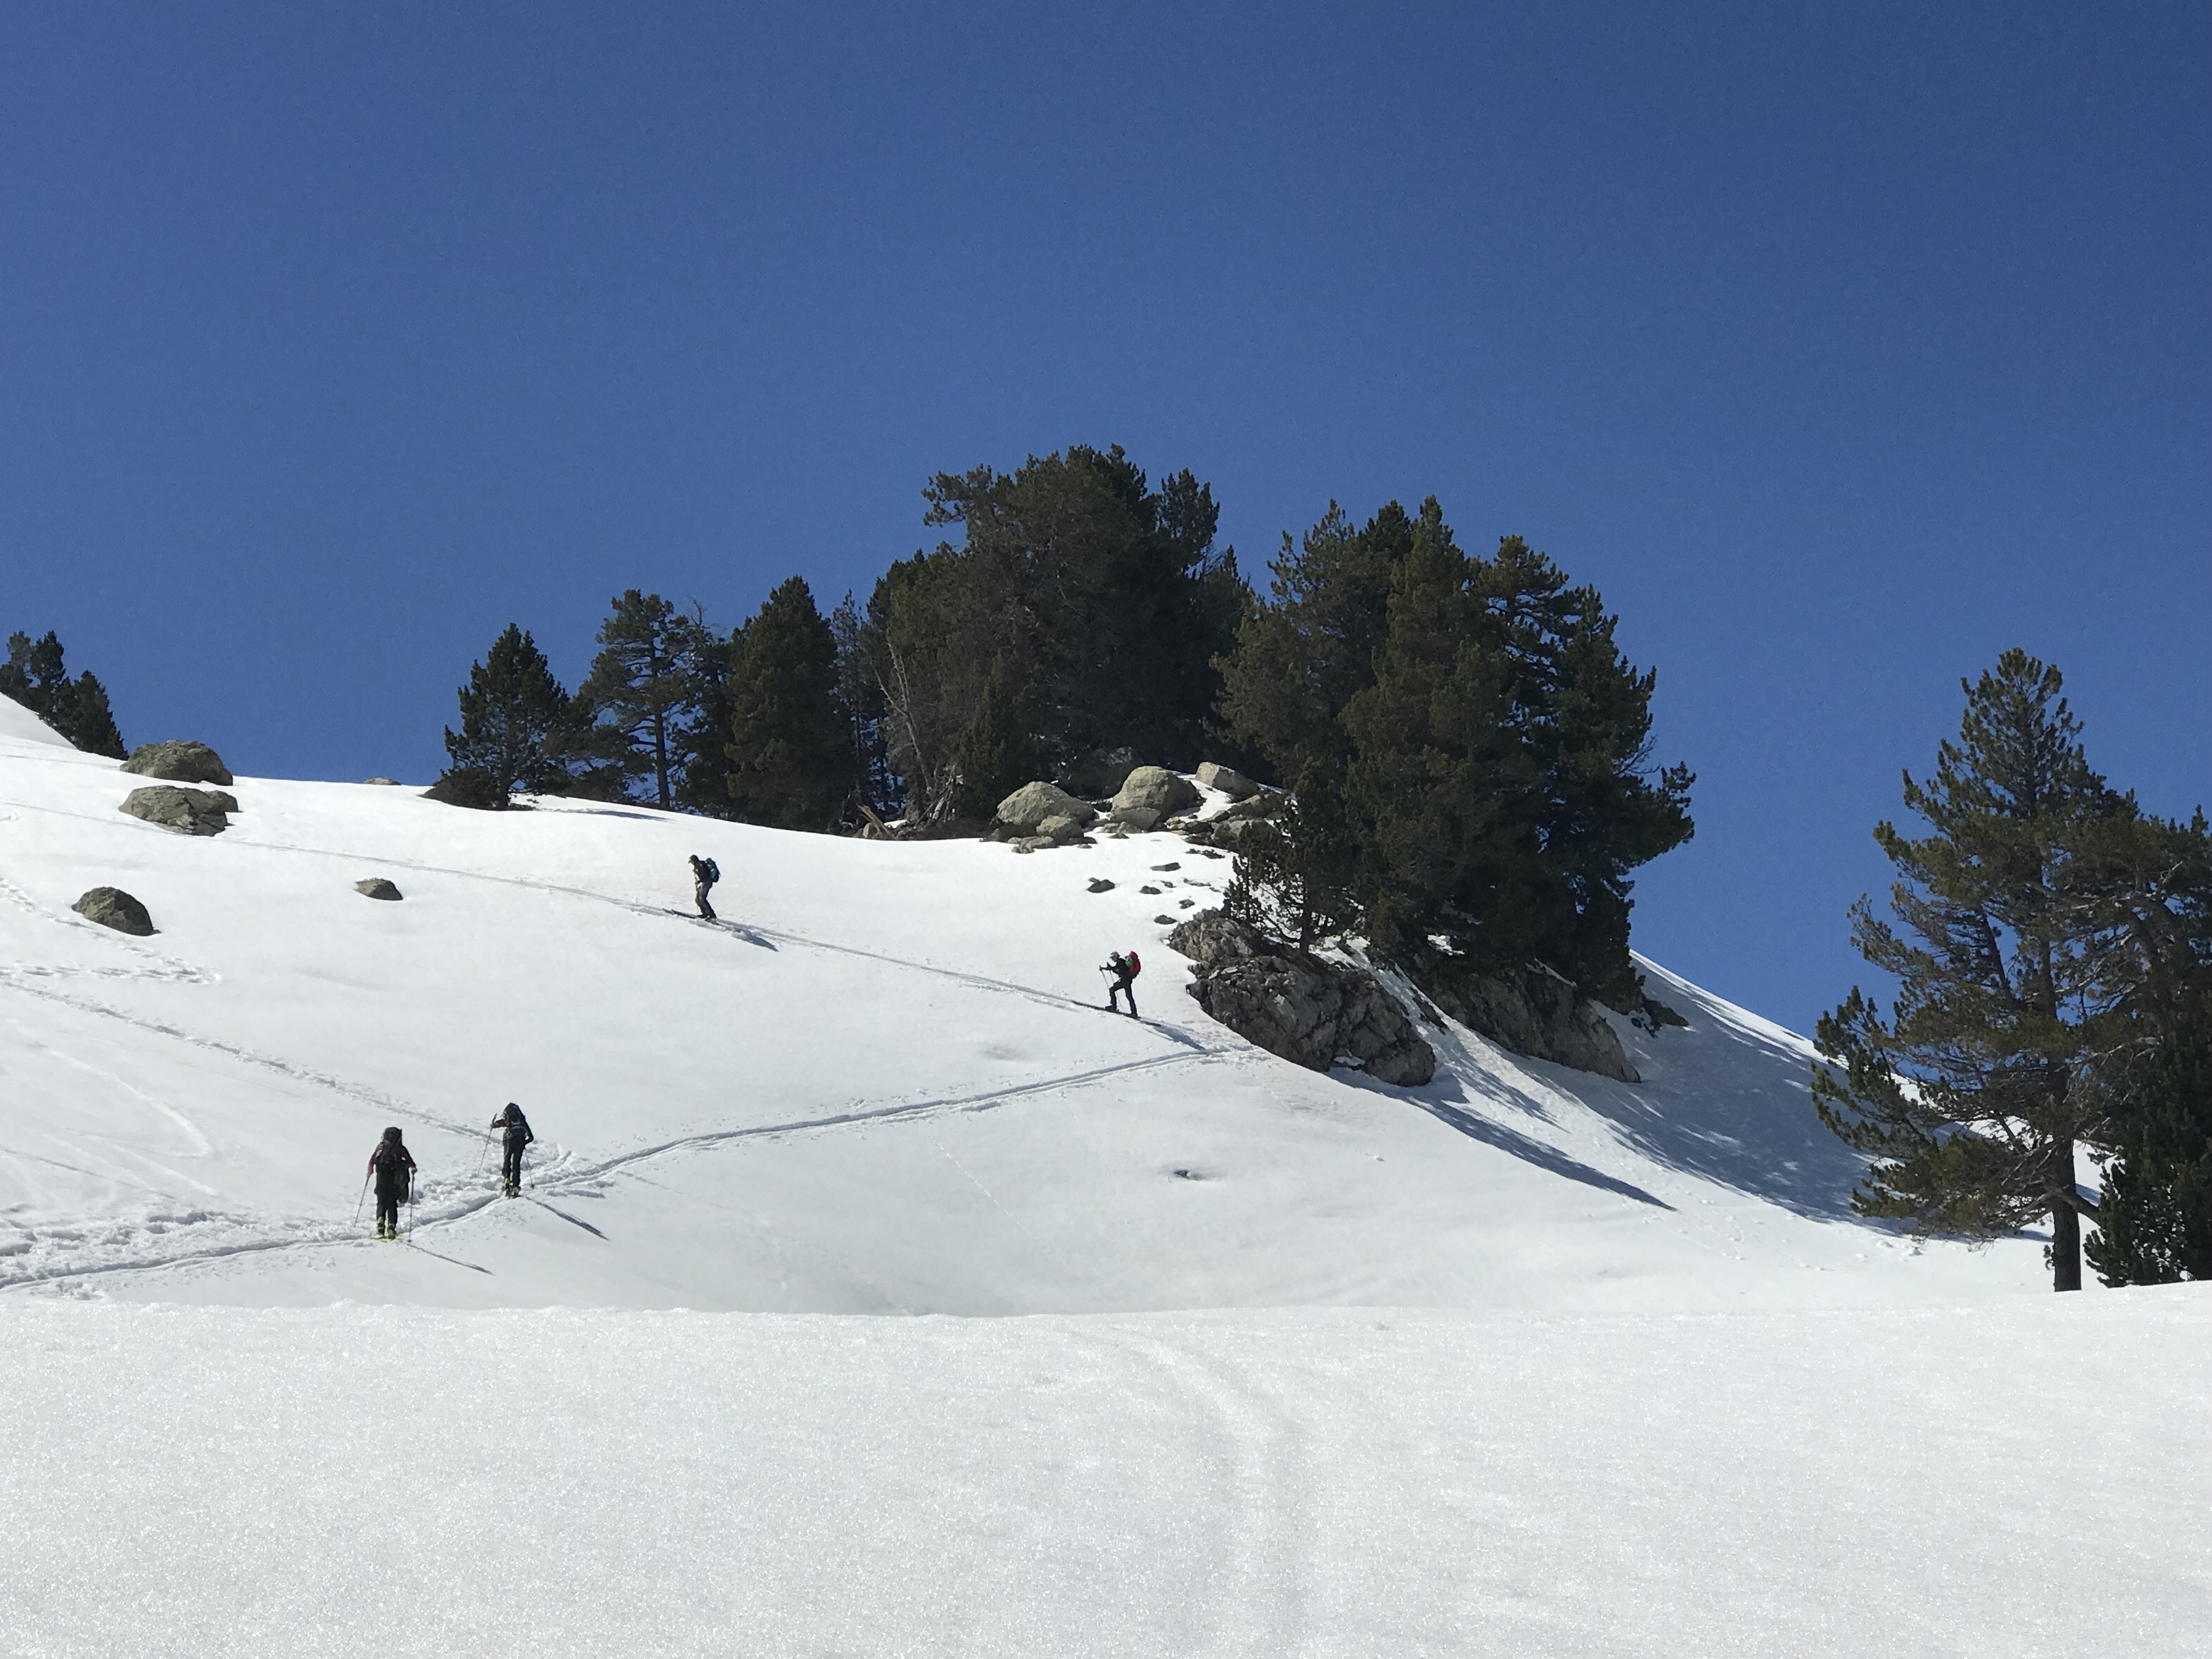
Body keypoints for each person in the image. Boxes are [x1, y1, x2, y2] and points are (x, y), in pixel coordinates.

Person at [367, 1126, 415, 1240]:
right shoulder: (400, 1149)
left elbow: (371, 1161)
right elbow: (411, 1162)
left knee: (381, 1202)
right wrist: (412, 1169)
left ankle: (380, 1226)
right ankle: (391, 1229)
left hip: (381, 1179)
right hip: (394, 1180)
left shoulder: (380, 1147)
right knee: (392, 1204)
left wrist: (369, 1172)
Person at [491, 1101, 534, 1196]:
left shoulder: (508, 1119)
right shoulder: (521, 1120)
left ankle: (506, 1179)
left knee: (507, 1160)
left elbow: (500, 1123)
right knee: (516, 1165)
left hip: (509, 1142)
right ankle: (515, 1187)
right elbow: (531, 1138)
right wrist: (524, 1143)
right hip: (519, 1144)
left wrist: (493, 1125)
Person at [1103, 949, 1142, 1018]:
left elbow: (1120, 971)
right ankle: (1134, 1012)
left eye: (1113, 958)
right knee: (1129, 996)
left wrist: (1110, 969)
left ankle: (1114, 1006)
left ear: (1116, 956)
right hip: (1127, 981)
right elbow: (1116, 969)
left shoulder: (1120, 962)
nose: (1112, 959)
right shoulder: (1121, 962)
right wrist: (1107, 969)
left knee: (1113, 990)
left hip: (1125, 981)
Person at [689, 853, 720, 921]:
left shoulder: (700, 865)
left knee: (702, 899)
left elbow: (704, 875)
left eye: (691, 862)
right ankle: (705, 914)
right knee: (698, 900)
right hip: (705, 883)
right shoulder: (699, 865)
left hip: (707, 883)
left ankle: (712, 915)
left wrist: (697, 873)